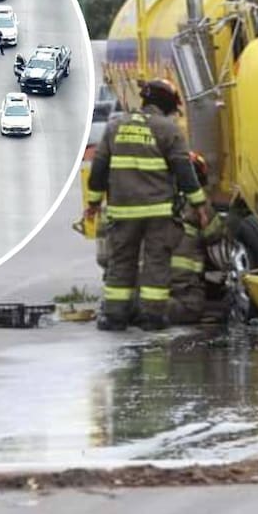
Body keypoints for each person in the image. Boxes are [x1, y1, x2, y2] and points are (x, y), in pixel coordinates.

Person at [85, 78, 209, 332]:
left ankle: (114, 316)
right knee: (156, 263)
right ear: (167, 105)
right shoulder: (168, 130)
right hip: (158, 212)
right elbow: (184, 172)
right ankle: (152, 317)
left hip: (123, 211)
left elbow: (99, 169)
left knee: (121, 261)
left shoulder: (115, 127)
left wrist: (94, 203)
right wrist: (199, 205)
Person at [167, 151, 229, 325]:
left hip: (150, 287)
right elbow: (216, 235)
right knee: (197, 310)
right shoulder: (199, 205)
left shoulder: (154, 201)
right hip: (184, 293)